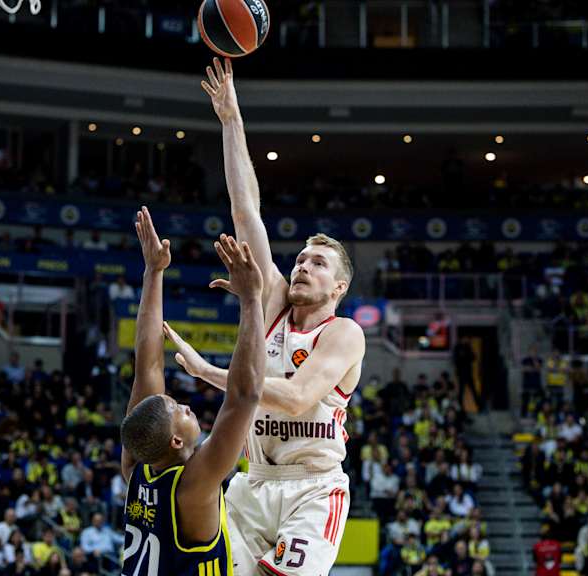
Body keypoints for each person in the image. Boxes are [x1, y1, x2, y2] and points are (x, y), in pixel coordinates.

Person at [161, 58, 366, 576]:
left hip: (312, 488)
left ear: (339, 287)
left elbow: (297, 398)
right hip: (253, 484)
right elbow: (246, 210)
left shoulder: (344, 333)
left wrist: (207, 372)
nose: (301, 266)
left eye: (317, 263)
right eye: (299, 259)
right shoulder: (273, 302)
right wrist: (231, 119)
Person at [118, 207, 267, 576]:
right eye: (179, 411)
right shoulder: (193, 487)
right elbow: (244, 396)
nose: (185, 405)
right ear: (174, 442)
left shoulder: (137, 470)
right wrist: (251, 301)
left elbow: (148, 365)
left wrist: (154, 272)